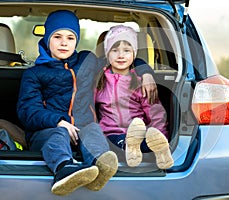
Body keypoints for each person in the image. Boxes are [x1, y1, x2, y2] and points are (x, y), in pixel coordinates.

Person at [17, 10, 157, 196]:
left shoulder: (87, 61)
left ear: (77, 40)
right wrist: (59, 121)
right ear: (47, 38)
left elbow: (119, 60)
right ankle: (64, 170)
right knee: (58, 134)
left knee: (93, 129)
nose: (64, 43)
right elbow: (28, 111)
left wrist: (145, 71)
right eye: (57, 37)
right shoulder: (33, 74)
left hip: (83, 129)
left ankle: (99, 166)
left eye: (70, 37)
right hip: (47, 133)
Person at [95, 25, 174, 169]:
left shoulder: (140, 81)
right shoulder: (99, 80)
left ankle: (157, 147)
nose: (121, 55)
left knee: (147, 139)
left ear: (134, 54)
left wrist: (161, 135)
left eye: (127, 50)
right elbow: (87, 103)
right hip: (111, 132)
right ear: (107, 53)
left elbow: (155, 112)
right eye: (115, 50)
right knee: (114, 143)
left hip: (140, 131)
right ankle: (135, 147)